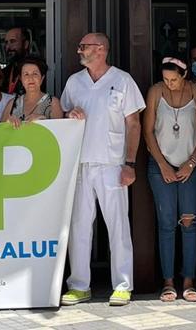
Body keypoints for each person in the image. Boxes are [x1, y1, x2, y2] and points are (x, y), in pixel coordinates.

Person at [60, 32, 145, 307]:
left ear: (101, 49)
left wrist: (130, 164)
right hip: (81, 164)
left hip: (112, 165)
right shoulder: (75, 82)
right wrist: (69, 114)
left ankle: (122, 285)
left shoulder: (122, 80)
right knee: (79, 227)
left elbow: (134, 124)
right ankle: (79, 285)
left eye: (83, 46)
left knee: (118, 226)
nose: (79, 51)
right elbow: (62, 115)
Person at [143, 57, 196, 303]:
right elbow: (148, 131)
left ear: (184, 74)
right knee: (166, 222)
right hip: (161, 166)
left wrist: (192, 162)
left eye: (174, 79)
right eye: (166, 79)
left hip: (192, 165)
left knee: (189, 222)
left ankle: (189, 280)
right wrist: (162, 164)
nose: (169, 84)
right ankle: (168, 282)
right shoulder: (155, 91)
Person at [2, 55, 63, 124]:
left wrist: (44, 121)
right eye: (26, 74)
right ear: (21, 79)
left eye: (35, 74)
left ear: (42, 78)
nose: (30, 78)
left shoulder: (53, 103)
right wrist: (7, 124)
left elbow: (59, 131)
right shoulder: (12, 104)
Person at [2, 27, 32, 92]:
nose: (8, 47)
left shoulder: (36, 71)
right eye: (6, 42)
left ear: (25, 44)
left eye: (13, 41)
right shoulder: (3, 73)